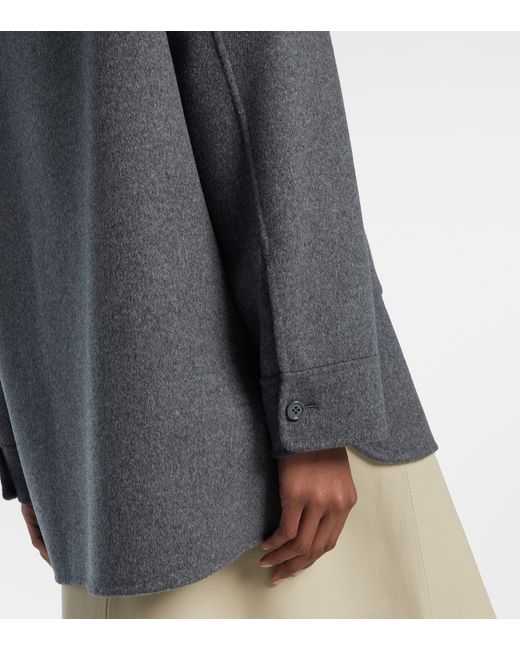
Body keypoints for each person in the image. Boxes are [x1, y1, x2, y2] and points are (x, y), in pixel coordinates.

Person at [0, 31, 495, 618]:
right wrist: (315, 410)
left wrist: (30, 452)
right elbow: (271, 82)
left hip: (104, 479)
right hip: (262, 455)